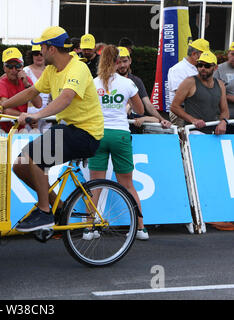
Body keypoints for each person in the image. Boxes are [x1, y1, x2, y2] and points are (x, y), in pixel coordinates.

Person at [0, 26, 104, 232]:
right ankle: (60, 208)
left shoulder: (78, 68)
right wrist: (0, 106)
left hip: (86, 133)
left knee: (34, 156)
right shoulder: (51, 70)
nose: (38, 51)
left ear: (51, 49)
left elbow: (66, 98)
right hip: (67, 129)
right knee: (20, 165)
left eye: (41, 47)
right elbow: (31, 91)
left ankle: (45, 212)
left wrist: (37, 115)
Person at [89, 45, 148, 240]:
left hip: (98, 134)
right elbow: (140, 109)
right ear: (117, 61)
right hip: (120, 134)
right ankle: (140, 228)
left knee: (94, 184)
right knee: (128, 184)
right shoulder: (127, 83)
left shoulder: (93, 82)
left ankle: (90, 228)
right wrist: (127, 105)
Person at [170, 51, 229, 135]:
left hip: (213, 132)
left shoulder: (220, 84)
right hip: (193, 131)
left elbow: (225, 111)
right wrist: (193, 120)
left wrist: (223, 122)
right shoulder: (189, 82)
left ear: (215, 68)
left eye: (207, 66)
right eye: (200, 65)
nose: (203, 68)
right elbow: (174, 107)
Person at [117, 46, 171, 129]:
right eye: (118, 62)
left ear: (130, 61)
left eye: (125, 61)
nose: (122, 65)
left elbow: (148, 104)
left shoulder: (136, 81)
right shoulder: (107, 81)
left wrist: (162, 120)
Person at [0, 47, 42, 133]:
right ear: (4, 68)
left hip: (20, 129)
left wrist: (27, 84)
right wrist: (29, 117)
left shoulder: (26, 80)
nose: (13, 70)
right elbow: (6, 110)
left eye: (17, 66)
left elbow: (38, 104)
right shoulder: (1, 84)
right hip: (3, 131)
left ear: (22, 67)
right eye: (9, 66)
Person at [167, 38, 210, 126]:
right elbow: (180, 93)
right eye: (204, 54)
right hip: (181, 111)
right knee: (183, 138)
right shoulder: (177, 69)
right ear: (194, 54)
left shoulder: (201, 68)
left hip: (200, 110)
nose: (206, 57)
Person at [23, 45, 52, 132]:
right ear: (32, 56)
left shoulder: (52, 71)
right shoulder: (25, 71)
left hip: (48, 114)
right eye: (36, 54)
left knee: (48, 142)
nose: (39, 56)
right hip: (30, 114)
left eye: (41, 54)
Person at [214, 41, 234, 133]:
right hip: (225, 119)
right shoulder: (219, 69)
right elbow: (213, 91)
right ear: (228, 53)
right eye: (233, 54)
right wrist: (229, 97)